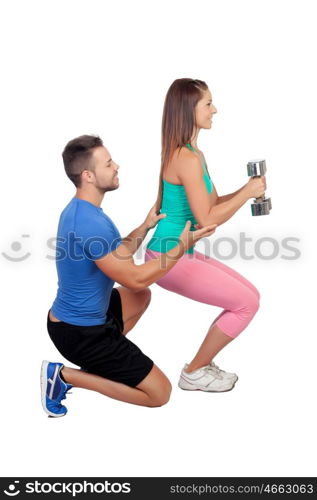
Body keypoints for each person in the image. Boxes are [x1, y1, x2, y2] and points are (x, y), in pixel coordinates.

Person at [41, 134, 216, 417]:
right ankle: (63, 377)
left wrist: (145, 227)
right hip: (78, 334)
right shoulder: (87, 222)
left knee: (140, 297)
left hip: (82, 318)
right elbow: (134, 278)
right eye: (108, 163)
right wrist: (181, 245)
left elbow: (118, 254)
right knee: (160, 393)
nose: (117, 166)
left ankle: (103, 363)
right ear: (88, 175)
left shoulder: (86, 211)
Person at [145, 78, 266, 392]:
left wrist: (247, 190)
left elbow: (211, 203)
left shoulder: (191, 153)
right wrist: (248, 193)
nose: (215, 110)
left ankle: (201, 365)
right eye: (208, 104)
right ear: (189, 110)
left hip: (178, 252)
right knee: (246, 303)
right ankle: (195, 372)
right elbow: (207, 221)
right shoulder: (184, 158)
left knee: (249, 295)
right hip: (165, 257)